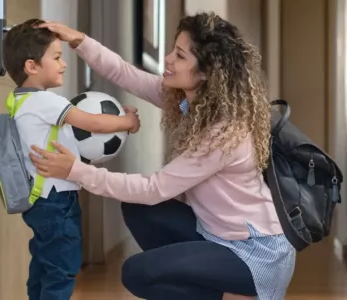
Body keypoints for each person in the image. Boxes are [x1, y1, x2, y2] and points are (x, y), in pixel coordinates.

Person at [30, 12, 296, 300]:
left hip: (255, 253)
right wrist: (79, 40)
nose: (169, 59)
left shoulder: (223, 132)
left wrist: (75, 171)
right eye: (172, 50)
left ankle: (235, 296)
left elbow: (154, 188)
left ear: (207, 72)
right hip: (216, 234)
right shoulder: (189, 102)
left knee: (138, 273)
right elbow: (124, 73)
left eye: (180, 56)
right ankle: (215, 286)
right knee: (138, 209)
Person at [2, 18, 140, 300]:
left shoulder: (18, 101)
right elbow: (92, 123)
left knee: (44, 264)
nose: (63, 63)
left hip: (40, 199)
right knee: (62, 267)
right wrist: (127, 122)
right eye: (56, 57)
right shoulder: (45, 102)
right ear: (32, 66)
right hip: (56, 201)